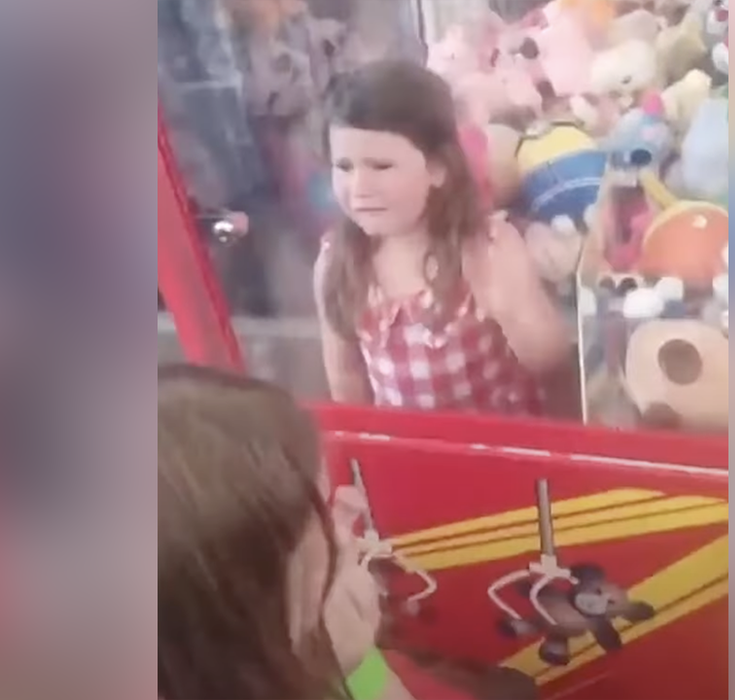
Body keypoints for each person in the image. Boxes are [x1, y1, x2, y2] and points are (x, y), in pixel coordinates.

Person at [314, 59, 573, 416]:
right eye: (344, 166)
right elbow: (346, 380)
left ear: (438, 169)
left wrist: (509, 311)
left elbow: (551, 362)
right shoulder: (336, 264)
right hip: (408, 462)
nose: (358, 187)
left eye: (380, 166)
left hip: (502, 458)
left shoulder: (488, 247)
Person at [157, 365, 414, 700]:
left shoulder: (320, 632)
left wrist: (358, 664)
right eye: (321, 513)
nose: (352, 510)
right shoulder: (320, 642)